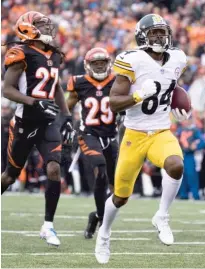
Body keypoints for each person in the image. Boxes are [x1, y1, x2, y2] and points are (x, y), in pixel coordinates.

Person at [94, 14, 190, 264]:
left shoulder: (178, 58)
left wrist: (179, 104)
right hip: (134, 135)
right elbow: (114, 103)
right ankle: (104, 233)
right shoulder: (131, 60)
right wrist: (138, 97)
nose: (159, 37)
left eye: (162, 32)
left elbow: (172, 86)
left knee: (176, 165)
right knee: (120, 196)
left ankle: (161, 216)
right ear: (142, 37)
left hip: (160, 131)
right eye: (154, 33)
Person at [1, 11, 74, 247]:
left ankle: (48, 225)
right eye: (42, 25)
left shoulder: (54, 54)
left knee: (54, 168)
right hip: (24, 122)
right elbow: (7, 90)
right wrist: (34, 101)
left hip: (48, 123)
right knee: (10, 176)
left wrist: (67, 116)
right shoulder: (21, 53)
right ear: (28, 28)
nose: (49, 29)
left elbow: (57, 87)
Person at [66, 47, 118, 239]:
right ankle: (103, 218)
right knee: (100, 168)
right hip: (89, 134)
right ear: (88, 65)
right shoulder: (79, 83)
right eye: (95, 63)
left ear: (108, 64)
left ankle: (95, 216)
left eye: (102, 63)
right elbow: (67, 106)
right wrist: (63, 124)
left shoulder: (117, 81)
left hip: (111, 137)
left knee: (117, 191)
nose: (99, 66)